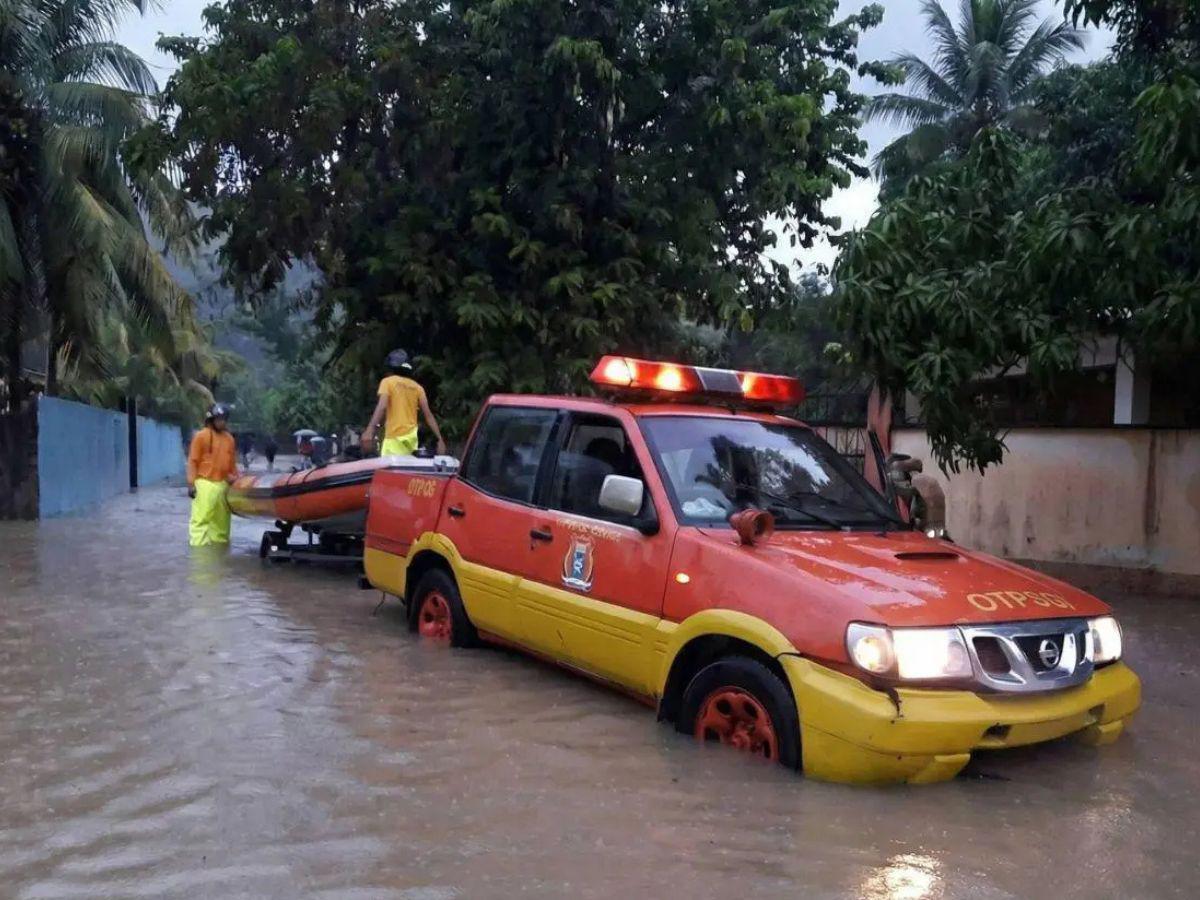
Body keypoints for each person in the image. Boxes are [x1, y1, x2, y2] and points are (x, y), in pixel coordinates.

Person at [362, 349, 446, 457]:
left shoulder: (387, 382)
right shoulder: (417, 387)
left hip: (394, 438)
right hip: (411, 440)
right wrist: (440, 439)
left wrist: (370, 430)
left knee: (390, 472)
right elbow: (428, 415)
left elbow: (382, 406)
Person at [187, 403, 240, 546]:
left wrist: (235, 479)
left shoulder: (229, 439)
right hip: (204, 483)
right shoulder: (201, 436)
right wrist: (191, 483)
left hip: (223, 485)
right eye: (219, 419)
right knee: (200, 520)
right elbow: (193, 460)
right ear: (212, 419)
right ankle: (200, 555)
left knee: (222, 523)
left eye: (224, 419)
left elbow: (232, 463)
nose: (222, 422)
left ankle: (219, 553)